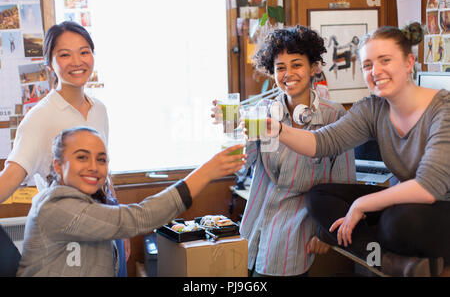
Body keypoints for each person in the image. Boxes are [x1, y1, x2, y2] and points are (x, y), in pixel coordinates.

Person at [263, 22, 450, 277]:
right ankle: (384, 259)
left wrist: (362, 205)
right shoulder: (373, 109)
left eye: (385, 60)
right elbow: (322, 143)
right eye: (367, 65)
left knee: (395, 223)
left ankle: (380, 250)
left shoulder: (443, 110)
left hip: (439, 207)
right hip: (405, 204)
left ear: (409, 63)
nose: (376, 71)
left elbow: (429, 188)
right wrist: (279, 130)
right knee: (318, 198)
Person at [212, 25, 356, 277]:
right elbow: (244, 164)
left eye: (297, 64)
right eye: (280, 67)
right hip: (254, 227)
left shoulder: (334, 115)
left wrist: (326, 233)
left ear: (313, 67)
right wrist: (233, 128)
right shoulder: (263, 110)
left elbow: (344, 184)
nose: (288, 73)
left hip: (294, 233)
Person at [17, 126, 246, 276]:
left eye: (101, 159)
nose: (93, 167)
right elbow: (137, 218)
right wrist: (206, 172)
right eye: (81, 157)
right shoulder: (56, 206)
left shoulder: (87, 201)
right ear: (58, 165)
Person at [0, 21, 133, 275]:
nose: (77, 61)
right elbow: (9, 179)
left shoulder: (100, 110)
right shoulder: (40, 118)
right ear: (50, 64)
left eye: (84, 52)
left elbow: (104, 174)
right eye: (64, 54)